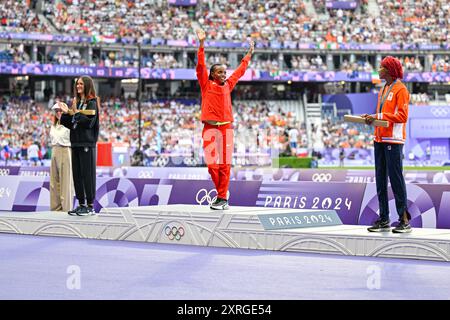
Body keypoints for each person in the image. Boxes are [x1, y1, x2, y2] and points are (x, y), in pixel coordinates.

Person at [196, 28, 254, 210]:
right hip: (210, 129)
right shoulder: (206, 84)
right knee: (212, 166)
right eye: (219, 72)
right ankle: (222, 193)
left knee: (224, 166)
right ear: (212, 74)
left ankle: (222, 198)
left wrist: (249, 53)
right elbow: (200, 66)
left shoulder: (228, 84)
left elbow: (241, 70)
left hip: (226, 128)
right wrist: (202, 44)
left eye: (224, 72)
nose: (223, 75)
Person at [362, 56, 412, 233]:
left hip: (393, 140)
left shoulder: (401, 90)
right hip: (379, 139)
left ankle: (404, 220)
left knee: (396, 179)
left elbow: (402, 117)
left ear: (390, 70)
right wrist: (371, 118)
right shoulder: (383, 88)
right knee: (381, 179)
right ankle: (384, 218)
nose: (379, 69)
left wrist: (379, 117)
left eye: (382, 67)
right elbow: (382, 115)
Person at [60, 76, 100, 216]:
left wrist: (76, 113)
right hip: (75, 143)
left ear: (87, 85)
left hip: (87, 143)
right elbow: (72, 124)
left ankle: (90, 206)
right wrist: (65, 114)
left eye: (81, 84)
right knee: (77, 175)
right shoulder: (76, 102)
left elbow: (89, 123)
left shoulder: (92, 102)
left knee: (87, 174)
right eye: (77, 84)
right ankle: (81, 204)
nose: (78, 86)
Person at [49, 103, 74, 212]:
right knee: (54, 182)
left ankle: (66, 208)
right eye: (57, 111)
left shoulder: (69, 123)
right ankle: (55, 208)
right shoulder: (53, 125)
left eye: (60, 110)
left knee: (66, 182)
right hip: (54, 150)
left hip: (65, 149)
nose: (58, 112)